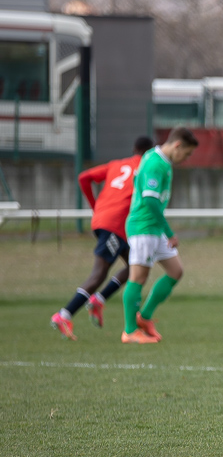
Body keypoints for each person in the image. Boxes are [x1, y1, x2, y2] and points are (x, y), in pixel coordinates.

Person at [51, 136, 154, 340]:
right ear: (149, 152)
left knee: (138, 265)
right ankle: (64, 314)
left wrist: (95, 205)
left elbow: (84, 177)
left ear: (134, 148)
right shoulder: (146, 168)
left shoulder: (116, 164)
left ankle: (98, 299)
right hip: (114, 224)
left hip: (109, 222)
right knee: (99, 274)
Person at [120, 127, 198, 344]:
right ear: (177, 145)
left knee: (175, 271)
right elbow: (150, 200)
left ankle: (144, 317)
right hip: (144, 227)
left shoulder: (160, 160)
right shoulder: (155, 164)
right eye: (187, 153)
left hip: (153, 228)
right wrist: (170, 232)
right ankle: (129, 331)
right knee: (138, 278)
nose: (186, 158)